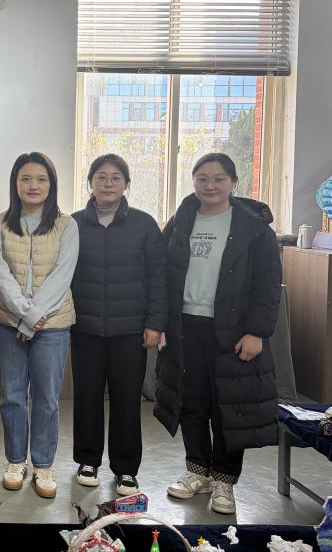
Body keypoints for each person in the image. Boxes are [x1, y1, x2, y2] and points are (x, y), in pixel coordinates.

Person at [155, 152, 281, 515]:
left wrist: (257, 332)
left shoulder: (254, 228)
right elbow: (162, 275)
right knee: (191, 401)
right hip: (185, 326)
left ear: (233, 183)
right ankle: (198, 470)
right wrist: (161, 322)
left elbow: (268, 284)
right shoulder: (180, 221)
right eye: (202, 179)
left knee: (229, 406)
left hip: (233, 331)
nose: (210, 186)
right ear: (193, 182)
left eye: (219, 179)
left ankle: (224, 480)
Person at [69, 154, 167, 495]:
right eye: (101, 176)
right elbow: (63, 276)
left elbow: (158, 277)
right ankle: (87, 460)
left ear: (126, 184)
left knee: (127, 399)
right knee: (87, 397)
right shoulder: (73, 224)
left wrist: (155, 323)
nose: (108, 183)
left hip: (131, 331)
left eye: (115, 177)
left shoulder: (144, 224)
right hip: (85, 328)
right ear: (90, 183)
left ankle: (126, 469)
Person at [0, 152, 78, 499]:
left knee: (46, 398)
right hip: (8, 323)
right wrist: (25, 315)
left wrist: (33, 318)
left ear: (51, 184)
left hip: (52, 325)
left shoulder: (66, 226)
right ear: (15, 183)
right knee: (12, 396)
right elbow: (0, 274)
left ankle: (43, 465)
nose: (33, 185)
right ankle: (16, 462)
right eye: (25, 178)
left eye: (41, 179)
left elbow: (63, 275)